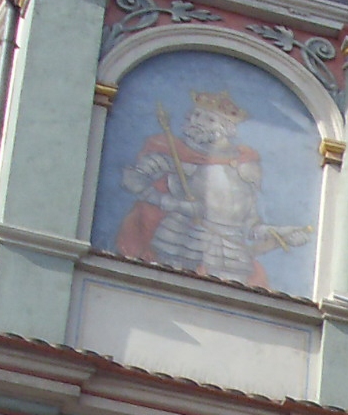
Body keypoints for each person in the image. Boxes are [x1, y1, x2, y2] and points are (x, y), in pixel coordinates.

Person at [112, 88, 311, 290]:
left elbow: (250, 226)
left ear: (227, 127)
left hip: (232, 258)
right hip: (179, 243)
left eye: (208, 119)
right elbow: (132, 179)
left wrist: (281, 233)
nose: (197, 122)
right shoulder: (180, 154)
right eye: (196, 115)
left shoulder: (245, 168)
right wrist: (175, 204)